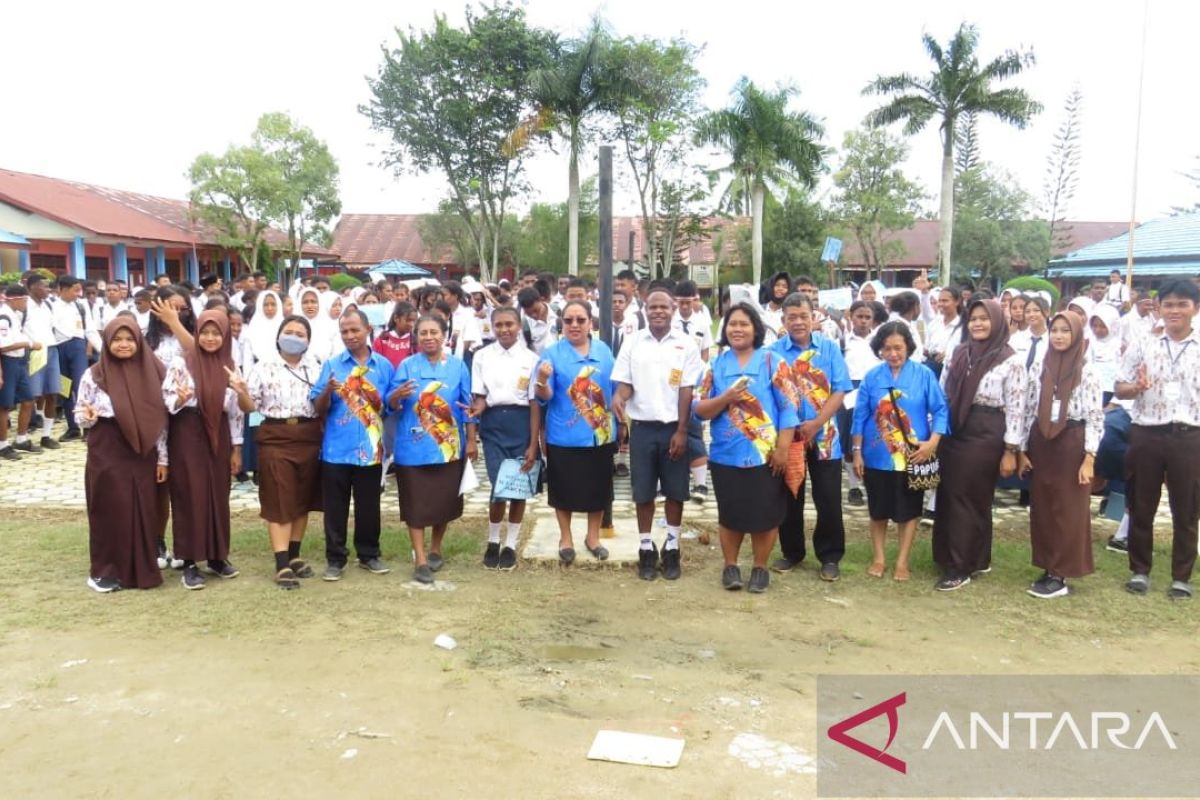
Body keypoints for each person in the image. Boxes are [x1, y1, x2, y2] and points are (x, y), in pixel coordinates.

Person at [694, 303, 796, 593]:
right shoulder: (716, 365)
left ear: (756, 329)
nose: (737, 329)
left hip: (766, 455)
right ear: (724, 330)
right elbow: (700, 410)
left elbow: (789, 409)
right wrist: (725, 397)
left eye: (744, 324)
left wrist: (783, 449)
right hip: (726, 455)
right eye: (732, 324)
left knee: (766, 515)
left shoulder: (772, 362)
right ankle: (731, 566)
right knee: (731, 514)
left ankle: (761, 568)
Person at [1115, 279, 1200, 600]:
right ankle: (1139, 570)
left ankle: (1182, 576)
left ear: (1195, 308)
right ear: (1159, 308)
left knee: (1187, 506)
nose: (1175, 310)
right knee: (1141, 503)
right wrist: (1135, 388)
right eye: (1168, 304)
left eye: (1182, 304)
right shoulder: (1143, 344)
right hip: (1147, 433)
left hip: (1189, 435)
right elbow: (1120, 385)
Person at [932, 300, 1025, 591]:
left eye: (985, 319)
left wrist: (1011, 450)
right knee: (951, 493)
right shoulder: (959, 353)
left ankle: (960, 566)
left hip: (986, 431)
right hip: (955, 428)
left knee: (967, 496)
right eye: (973, 319)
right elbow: (942, 392)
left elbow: (1017, 407)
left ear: (997, 321)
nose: (978, 324)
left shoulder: (1011, 360)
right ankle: (973, 556)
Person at [612, 290, 703, 581]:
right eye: (653, 307)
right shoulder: (633, 342)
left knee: (676, 491)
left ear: (673, 308)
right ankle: (646, 548)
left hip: (674, 429)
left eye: (664, 306)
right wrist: (619, 397)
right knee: (643, 493)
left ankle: (672, 548)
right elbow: (626, 383)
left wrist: (681, 431)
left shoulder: (686, 344)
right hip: (643, 429)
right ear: (645, 310)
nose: (659, 311)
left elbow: (687, 390)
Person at [76, 317, 170, 592]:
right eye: (117, 340)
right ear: (107, 343)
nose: (124, 344)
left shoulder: (152, 373)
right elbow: (81, 413)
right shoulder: (94, 374)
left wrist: (163, 458)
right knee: (109, 508)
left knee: (142, 508)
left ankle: (141, 570)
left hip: (143, 449)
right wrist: (88, 418)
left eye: (129, 339)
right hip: (107, 446)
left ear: (139, 342)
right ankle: (103, 571)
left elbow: (161, 419)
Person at [851, 321, 949, 581]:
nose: (893, 353)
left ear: (908, 347)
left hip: (913, 456)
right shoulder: (872, 377)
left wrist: (933, 443)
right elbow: (860, 415)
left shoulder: (924, 374)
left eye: (898, 347)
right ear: (880, 350)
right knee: (878, 510)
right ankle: (879, 558)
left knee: (909, 510)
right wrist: (857, 451)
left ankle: (903, 561)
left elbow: (940, 410)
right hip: (877, 456)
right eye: (887, 349)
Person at [232, 315, 324, 590]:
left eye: (300, 333)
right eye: (289, 331)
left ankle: (295, 556)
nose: (294, 337)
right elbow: (249, 407)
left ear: (308, 340)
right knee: (280, 499)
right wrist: (240, 392)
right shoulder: (264, 367)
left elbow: (321, 404)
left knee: (302, 499)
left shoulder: (316, 368)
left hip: (308, 437)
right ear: (278, 335)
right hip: (275, 438)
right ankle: (281, 563)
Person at [1017, 312, 1103, 598]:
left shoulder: (1086, 370)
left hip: (1072, 443)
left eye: (1066, 331)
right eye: (1055, 330)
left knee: (1068, 510)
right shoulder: (1042, 367)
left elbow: (1094, 416)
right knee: (1043, 507)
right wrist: (1022, 449)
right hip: (1042, 441)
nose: (1059, 336)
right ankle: (1047, 565)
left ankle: (1060, 574)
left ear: (1077, 334)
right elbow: (1028, 408)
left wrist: (1089, 457)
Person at [387, 314, 476, 583]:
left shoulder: (458, 367)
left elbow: (468, 407)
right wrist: (396, 396)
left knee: (444, 502)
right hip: (412, 449)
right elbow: (390, 403)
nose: (428, 337)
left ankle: (436, 548)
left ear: (444, 335)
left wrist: (471, 440)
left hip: (448, 448)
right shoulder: (406, 366)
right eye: (423, 333)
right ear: (416, 337)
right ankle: (421, 558)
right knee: (415, 504)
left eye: (433, 332)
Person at [769, 293, 851, 581]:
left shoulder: (829, 349)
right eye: (792, 317)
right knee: (790, 496)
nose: (798, 322)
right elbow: (772, 395)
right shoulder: (774, 352)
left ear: (813, 317)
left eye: (803, 316)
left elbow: (839, 390)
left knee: (828, 498)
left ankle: (830, 556)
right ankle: (792, 552)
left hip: (825, 436)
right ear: (784, 320)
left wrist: (816, 423)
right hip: (788, 438)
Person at [161, 310, 244, 590]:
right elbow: (167, 403)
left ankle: (217, 556)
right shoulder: (181, 362)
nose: (210, 338)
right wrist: (181, 399)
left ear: (225, 336)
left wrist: (236, 449)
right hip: (187, 432)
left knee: (217, 495)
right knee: (189, 494)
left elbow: (234, 412)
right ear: (196, 334)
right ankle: (189, 562)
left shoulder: (229, 364)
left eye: (216, 333)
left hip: (217, 434)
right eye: (205, 333)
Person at [310, 309, 394, 580]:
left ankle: (369, 554)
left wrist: (395, 399)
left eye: (355, 330)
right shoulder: (332, 365)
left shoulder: (383, 366)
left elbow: (390, 406)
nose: (350, 336)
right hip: (337, 448)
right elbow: (317, 407)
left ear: (368, 329)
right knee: (335, 506)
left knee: (369, 504)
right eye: (344, 331)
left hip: (370, 448)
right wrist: (327, 390)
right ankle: (335, 558)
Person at [534, 299, 616, 565]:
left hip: (599, 434)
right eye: (568, 320)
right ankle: (565, 537)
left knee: (598, 489)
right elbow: (543, 396)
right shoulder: (552, 354)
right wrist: (543, 381)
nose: (574, 325)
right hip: (564, 435)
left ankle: (593, 537)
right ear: (562, 323)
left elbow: (615, 391)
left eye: (580, 320)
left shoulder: (604, 352)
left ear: (590, 322)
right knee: (564, 489)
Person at [467, 307, 540, 572]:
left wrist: (534, 443)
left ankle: (511, 543)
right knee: (499, 488)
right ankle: (493, 540)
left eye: (509, 324)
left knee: (518, 487)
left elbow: (534, 403)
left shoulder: (532, 359)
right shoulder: (482, 356)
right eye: (498, 325)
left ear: (519, 326)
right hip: (494, 425)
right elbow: (480, 397)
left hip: (521, 425)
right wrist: (473, 433)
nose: (504, 329)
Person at [839, 300, 882, 507]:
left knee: (874, 437)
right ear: (851, 316)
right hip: (850, 392)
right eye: (860, 316)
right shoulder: (843, 341)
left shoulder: (879, 340)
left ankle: (874, 484)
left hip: (874, 391)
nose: (864, 321)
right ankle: (854, 486)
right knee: (850, 440)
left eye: (868, 317)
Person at [21, 273, 61, 451]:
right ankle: (23, 437)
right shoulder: (24, 307)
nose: (48, 289)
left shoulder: (49, 305)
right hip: (34, 352)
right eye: (44, 286)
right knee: (32, 395)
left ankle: (46, 435)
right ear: (32, 287)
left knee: (52, 393)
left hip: (51, 350)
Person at [53, 276, 95, 443]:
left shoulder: (81, 305)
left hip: (77, 347)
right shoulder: (51, 306)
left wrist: (103, 350)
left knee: (81, 386)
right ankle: (72, 428)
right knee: (64, 389)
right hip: (58, 348)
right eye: (75, 290)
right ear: (62, 289)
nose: (78, 294)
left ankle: (87, 426)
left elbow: (90, 330)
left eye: (80, 290)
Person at [0, 284, 40, 461]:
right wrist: (28, 344)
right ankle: (3, 445)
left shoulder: (14, 316)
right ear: (16, 299)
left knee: (28, 399)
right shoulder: (4, 317)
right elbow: (2, 345)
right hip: (7, 362)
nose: (26, 304)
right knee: (5, 405)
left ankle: (21, 439)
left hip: (18, 362)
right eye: (24, 301)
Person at [923, 286, 962, 380]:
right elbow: (926, 347)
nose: (941, 304)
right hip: (930, 367)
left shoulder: (963, 326)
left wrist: (949, 354)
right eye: (939, 301)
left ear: (957, 302)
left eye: (945, 301)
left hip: (951, 371)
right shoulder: (934, 323)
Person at [1088, 304, 1123, 405]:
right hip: (1089, 390)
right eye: (1094, 325)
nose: (1097, 330)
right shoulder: (1087, 343)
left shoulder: (1119, 347)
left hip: (1110, 393)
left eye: (1103, 326)